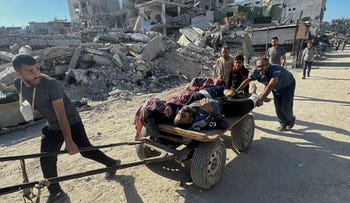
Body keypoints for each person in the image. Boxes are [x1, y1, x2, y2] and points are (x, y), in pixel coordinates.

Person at [12, 54, 120, 203]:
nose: (36, 74)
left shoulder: (51, 84)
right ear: (18, 74)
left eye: (36, 69)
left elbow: (62, 116)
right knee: (47, 158)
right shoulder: (18, 84)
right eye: (30, 71)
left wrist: (69, 142)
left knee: (85, 150)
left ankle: (111, 163)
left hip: (71, 121)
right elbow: (32, 101)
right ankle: (56, 193)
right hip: (52, 124)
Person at [235, 57, 296, 131]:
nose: (260, 68)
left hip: (288, 85)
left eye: (262, 66)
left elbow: (270, 84)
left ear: (268, 65)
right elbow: (247, 81)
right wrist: (236, 91)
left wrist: (261, 99)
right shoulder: (257, 72)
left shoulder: (275, 69)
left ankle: (291, 120)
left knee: (285, 107)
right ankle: (283, 123)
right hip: (276, 87)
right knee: (278, 107)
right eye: (258, 67)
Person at [174, 85, 259, 131]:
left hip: (216, 99)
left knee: (234, 95)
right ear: (190, 120)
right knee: (247, 104)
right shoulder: (203, 122)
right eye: (183, 116)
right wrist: (210, 111)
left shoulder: (187, 110)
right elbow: (226, 125)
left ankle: (246, 93)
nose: (181, 112)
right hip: (225, 108)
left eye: (179, 113)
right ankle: (254, 94)